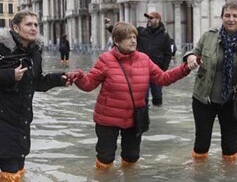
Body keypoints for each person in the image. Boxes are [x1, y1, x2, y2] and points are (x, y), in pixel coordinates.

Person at [66, 21, 194, 169]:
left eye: (134, 37)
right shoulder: (105, 59)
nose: (133, 40)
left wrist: (186, 68)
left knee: (131, 158)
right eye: (128, 38)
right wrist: (80, 76)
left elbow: (162, 78)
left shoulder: (144, 59)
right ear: (117, 41)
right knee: (105, 159)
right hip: (108, 119)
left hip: (134, 118)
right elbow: (89, 84)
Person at [0, 10, 69, 181]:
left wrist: (60, 79)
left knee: (19, 169)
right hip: (0, 120)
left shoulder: (35, 51)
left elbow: (37, 82)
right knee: (10, 172)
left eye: (36, 24)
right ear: (16, 28)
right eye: (29, 24)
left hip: (22, 120)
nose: (34, 28)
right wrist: (10, 75)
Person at [184, 0, 237, 161]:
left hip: (231, 101)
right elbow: (193, 53)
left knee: (230, 147)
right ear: (222, 17)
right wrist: (190, 58)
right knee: (202, 143)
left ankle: (230, 176)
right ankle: (200, 175)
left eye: (235, 16)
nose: (231, 19)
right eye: (227, 15)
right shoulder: (209, 36)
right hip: (204, 99)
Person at [105, 11, 172, 106]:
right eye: (148, 18)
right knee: (142, 99)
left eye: (151, 18)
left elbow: (168, 54)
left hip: (156, 72)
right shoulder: (140, 32)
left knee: (157, 97)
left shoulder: (164, 35)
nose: (148, 20)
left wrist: (163, 69)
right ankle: (143, 118)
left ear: (158, 20)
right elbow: (125, 33)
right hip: (141, 71)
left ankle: (157, 116)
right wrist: (109, 27)